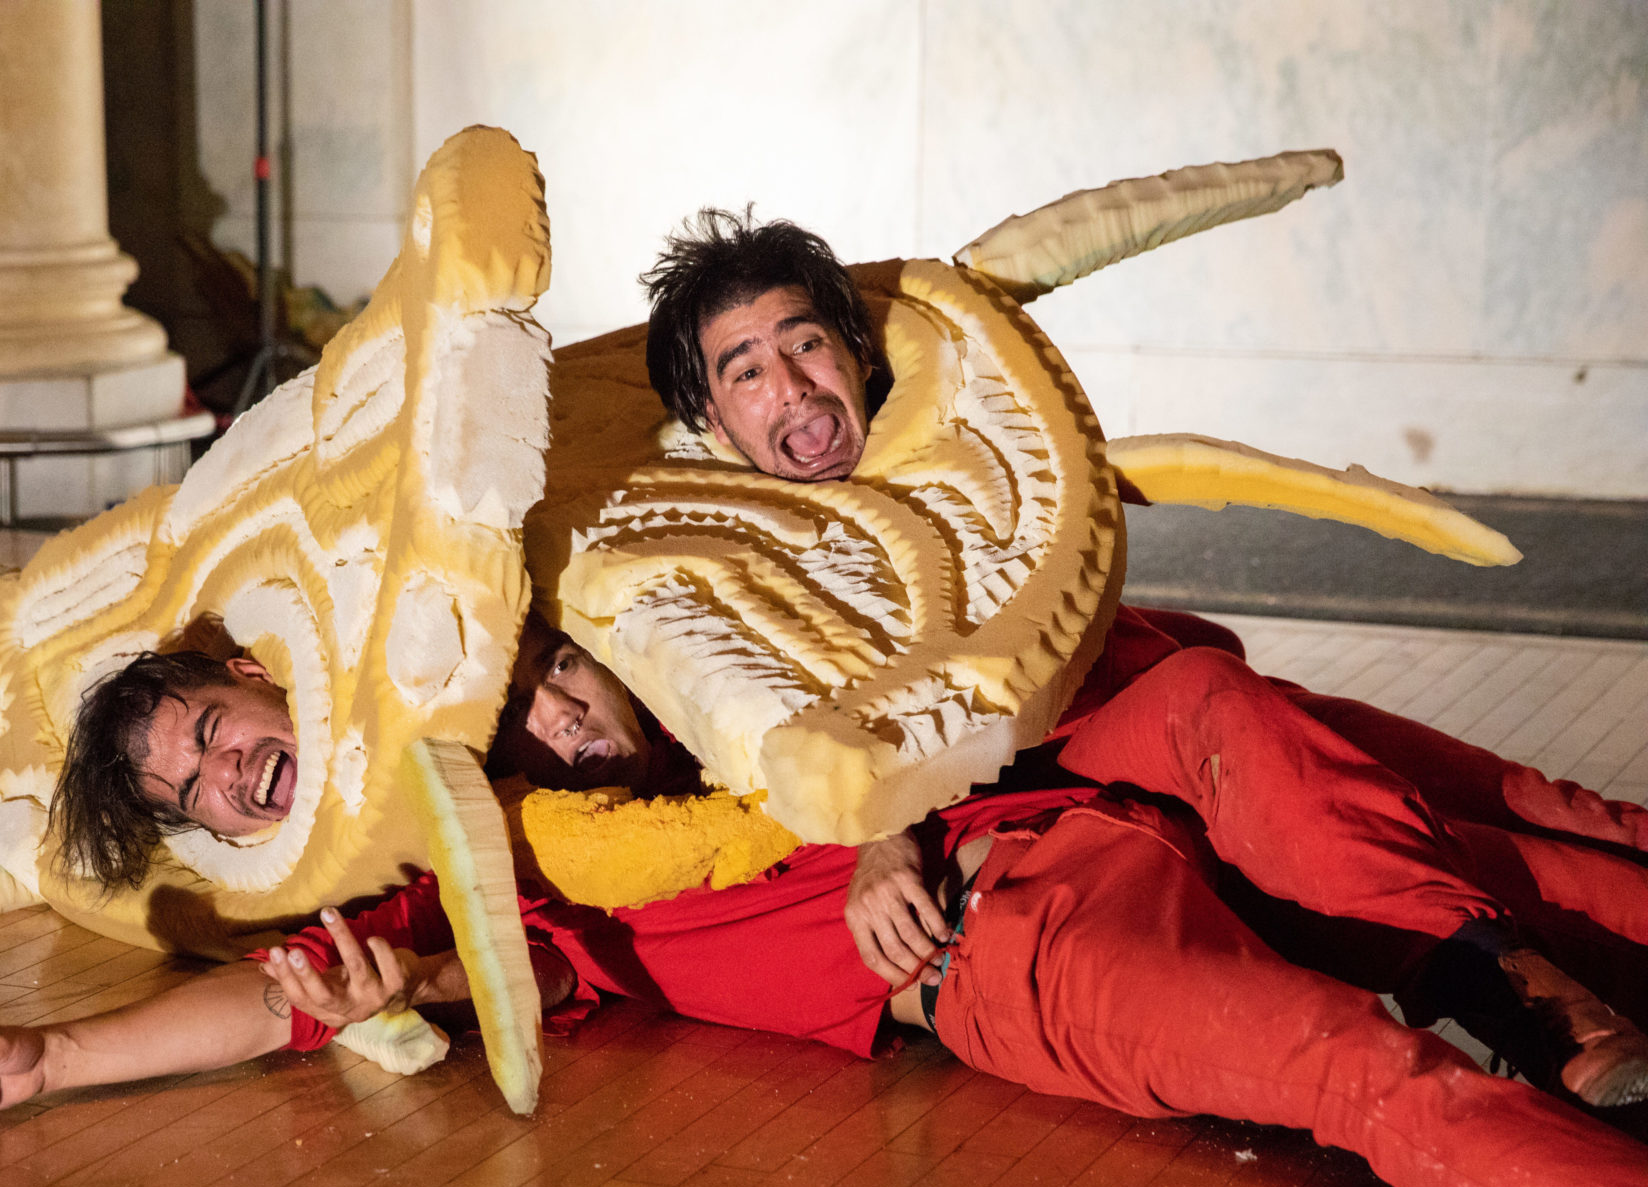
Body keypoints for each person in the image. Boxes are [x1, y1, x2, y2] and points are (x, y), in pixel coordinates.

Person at [0, 621, 1648, 1187]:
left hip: (1084, 766)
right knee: (1365, 1070)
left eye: (214, 724)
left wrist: (895, 777)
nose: (223, 772)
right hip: (1009, 939)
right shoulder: (463, 865)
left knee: (1539, 832)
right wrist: (52, 1058)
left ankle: (1518, 965)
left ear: (265, 674)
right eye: (190, 788)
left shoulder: (614, 592)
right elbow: (286, 1002)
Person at [639, 207, 1648, 1101]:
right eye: (746, 373)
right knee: (1456, 845)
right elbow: (769, 735)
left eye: (804, 345)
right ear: (714, 421)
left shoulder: (969, 436)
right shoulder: (713, 567)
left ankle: (1515, 979)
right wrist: (878, 824)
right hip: (1045, 779)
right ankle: (1512, 995)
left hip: (1162, 705)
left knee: (1533, 811)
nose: (791, 389)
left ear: (855, 354)